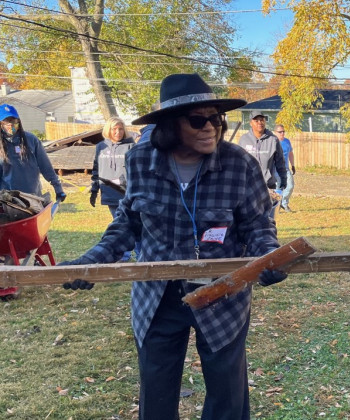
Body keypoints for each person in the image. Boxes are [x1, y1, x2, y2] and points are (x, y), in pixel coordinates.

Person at [58, 73, 288, 419]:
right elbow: (128, 223)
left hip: (223, 294)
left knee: (228, 396)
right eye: (198, 120)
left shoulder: (240, 165)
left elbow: (258, 225)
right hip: (157, 295)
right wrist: (94, 261)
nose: (211, 127)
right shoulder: (140, 161)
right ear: (168, 125)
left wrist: (267, 257)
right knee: (157, 395)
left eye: (216, 118)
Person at [89, 116, 138, 262]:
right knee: (116, 222)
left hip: (126, 192)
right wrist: (94, 190)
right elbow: (96, 169)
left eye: (121, 129)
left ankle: (131, 253)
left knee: (129, 222)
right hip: (109, 192)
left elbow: (137, 170)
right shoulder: (101, 147)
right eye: (114, 129)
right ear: (108, 130)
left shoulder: (130, 146)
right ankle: (123, 253)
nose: (118, 132)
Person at [0, 104, 65, 201]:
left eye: (13, 120)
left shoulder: (31, 140)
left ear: (19, 121)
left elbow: (45, 166)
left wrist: (58, 187)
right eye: (6, 121)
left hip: (32, 196)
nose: (10, 124)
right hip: (8, 199)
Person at [238, 111, 286, 204]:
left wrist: (283, 178)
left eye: (262, 120)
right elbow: (239, 163)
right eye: (256, 120)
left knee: (267, 215)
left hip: (267, 186)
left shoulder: (273, 140)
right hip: (248, 186)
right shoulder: (244, 140)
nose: (260, 122)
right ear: (251, 123)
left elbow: (280, 161)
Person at [273, 124, 296, 212]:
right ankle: (275, 207)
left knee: (290, 186)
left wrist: (293, 165)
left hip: (285, 169)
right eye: (280, 132)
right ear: (275, 133)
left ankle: (283, 203)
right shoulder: (272, 142)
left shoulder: (287, 141)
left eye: (283, 131)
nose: (282, 133)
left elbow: (290, 153)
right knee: (278, 188)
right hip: (275, 169)